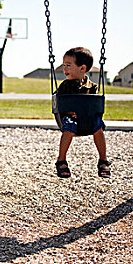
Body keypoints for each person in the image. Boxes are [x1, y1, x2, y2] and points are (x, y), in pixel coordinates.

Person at [55, 47, 111, 179]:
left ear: (82, 69)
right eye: (64, 65)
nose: (65, 69)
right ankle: (61, 160)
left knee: (99, 126)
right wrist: (68, 111)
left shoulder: (92, 87)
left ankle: (103, 160)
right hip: (71, 118)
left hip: (88, 119)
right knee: (68, 126)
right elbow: (60, 104)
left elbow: (95, 105)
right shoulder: (64, 86)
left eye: (68, 65)